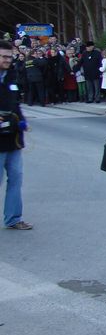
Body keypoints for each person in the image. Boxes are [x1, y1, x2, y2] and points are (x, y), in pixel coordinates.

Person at [0, 41, 32, 230]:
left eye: (9, 56)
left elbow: (16, 104)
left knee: (16, 179)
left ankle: (13, 218)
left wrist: (22, 121)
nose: (7, 60)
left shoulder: (11, 76)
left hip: (14, 140)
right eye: (3, 56)